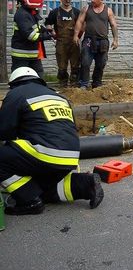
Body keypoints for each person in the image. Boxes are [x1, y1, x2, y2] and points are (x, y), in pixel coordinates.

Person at [0, 67, 104, 215]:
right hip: (71, 157)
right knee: (42, 189)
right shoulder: (60, 98)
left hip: (44, 154)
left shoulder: (16, 93)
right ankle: (86, 184)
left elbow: (4, 132)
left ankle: (30, 201)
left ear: (13, 84)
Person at [73, 0, 119, 90]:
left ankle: (96, 83)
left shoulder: (108, 10)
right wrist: (76, 35)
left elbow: (113, 25)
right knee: (85, 63)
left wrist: (116, 39)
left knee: (101, 64)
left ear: (101, 0)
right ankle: (83, 84)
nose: (92, 0)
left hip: (102, 41)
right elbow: (79, 21)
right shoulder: (86, 9)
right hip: (89, 40)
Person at [10, 0, 53, 78]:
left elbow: (34, 27)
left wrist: (45, 30)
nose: (37, 9)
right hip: (21, 55)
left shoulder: (29, 12)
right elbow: (31, 35)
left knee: (39, 76)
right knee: (20, 78)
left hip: (32, 54)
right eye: (35, 7)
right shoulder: (22, 15)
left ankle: (39, 91)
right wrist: (48, 36)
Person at [45, 0, 81, 86]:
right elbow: (48, 23)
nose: (68, 1)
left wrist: (78, 36)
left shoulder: (77, 12)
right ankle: (63, 83)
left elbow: (82, 25)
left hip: (74, 42)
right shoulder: (55, 12)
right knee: (62, 66)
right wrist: (52, 32)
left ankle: (74, 83)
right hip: (61, 41)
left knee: (75, 65)